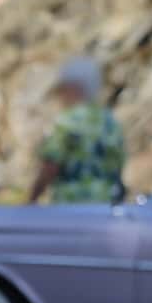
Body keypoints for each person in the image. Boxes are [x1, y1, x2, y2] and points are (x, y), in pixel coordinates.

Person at [29, 56, 126, 204]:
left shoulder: (68, 120)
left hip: (71, 205)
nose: (61, 95)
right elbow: (118, 164)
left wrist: (32, 198)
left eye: (63, 88)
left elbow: (51, 165)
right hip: (106, 203)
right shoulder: (110, 122)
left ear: (73, 87)